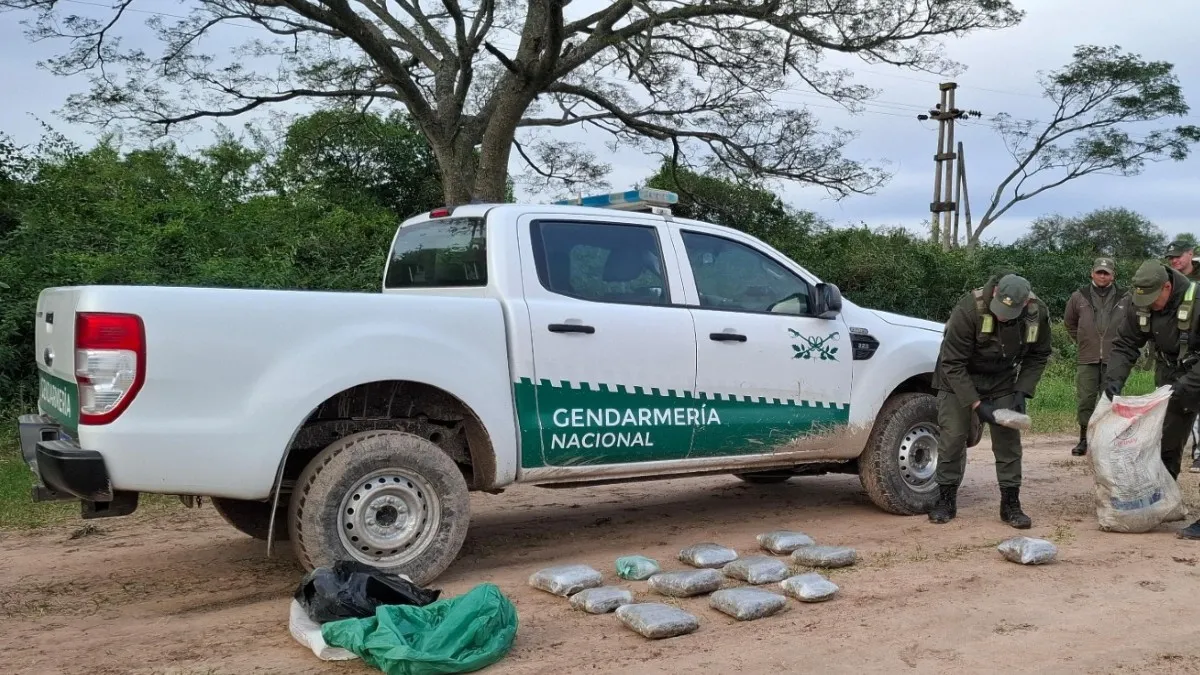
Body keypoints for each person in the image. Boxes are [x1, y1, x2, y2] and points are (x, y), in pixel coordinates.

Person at [929, 272, 1052, 528]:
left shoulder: (1037, 313)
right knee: (953, 437)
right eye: (999, 310)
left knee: (1008, 441)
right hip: (958, 377)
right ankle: (945, 499)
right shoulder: (968, 309)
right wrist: (976, 405)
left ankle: (1010, 504)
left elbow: (1039, 355)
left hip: (1002, 378)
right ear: (995, 292)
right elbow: (952, 363)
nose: (1002, 317)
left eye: (1010, 313)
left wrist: (1022, 391)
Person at [1102, 259, 1200, 540]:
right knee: (1166, 442)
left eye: (1153, 297)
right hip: (1172, 374)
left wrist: (1186, 386)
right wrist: (1114, 380)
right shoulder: (1140, 302)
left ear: (1167, 287)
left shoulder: (1197, 300)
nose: (1148, 304)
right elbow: (1125, 344)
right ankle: (1163, 502)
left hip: (1193, 374)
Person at [1063, 257, 1127, 456]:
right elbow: (1070, 323)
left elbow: (1133, 324)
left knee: (1111, 399)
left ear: (1113, 275)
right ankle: (1084, 439)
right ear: (1092, 273)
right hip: (1087, 357)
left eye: (1106, 273)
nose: (1102, 275)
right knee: (1085, 400)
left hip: (1114, 357)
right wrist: (1083, 341)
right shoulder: (1078, 296)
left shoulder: (1126, 297)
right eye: (1099, 272)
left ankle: (1110, 441)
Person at [1164, 240, 1200, 473]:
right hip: (1179, 356)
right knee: (1184, 408)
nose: (1175, 261)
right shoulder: (1170, 284)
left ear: (1191, 254)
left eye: (1178, 256)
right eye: (1171, 258)